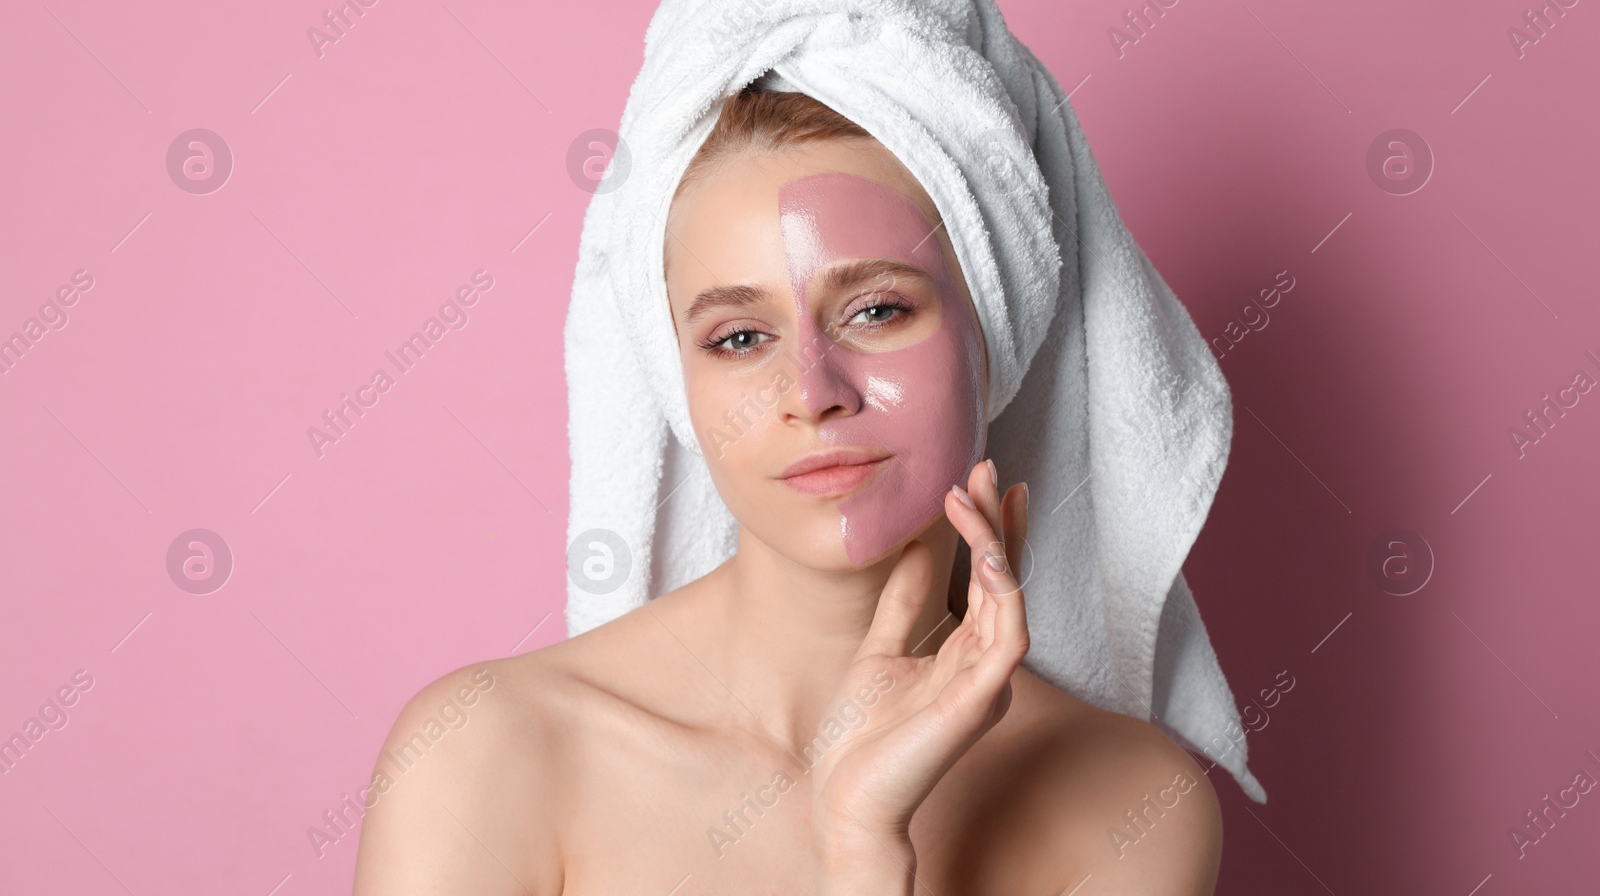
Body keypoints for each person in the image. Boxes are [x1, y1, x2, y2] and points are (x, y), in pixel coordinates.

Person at [352, 87, 1224, 895]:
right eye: (737, 337)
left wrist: (862, 840)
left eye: (877, 309)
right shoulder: (478, 755)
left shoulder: (1130, 806)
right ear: (679, 382)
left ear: (993, 332)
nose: (811, 391)